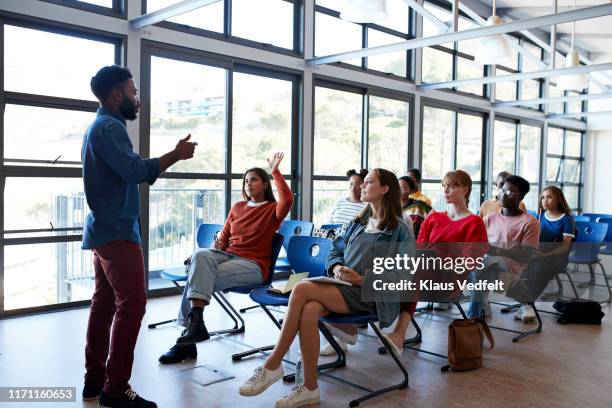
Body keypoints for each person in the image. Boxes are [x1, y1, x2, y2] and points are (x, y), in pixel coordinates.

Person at [238, 169, 414, 408]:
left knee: (301, 290)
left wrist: (362, 280)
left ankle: (273, 364)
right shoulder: (357, 223)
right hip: (343, 287)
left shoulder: (400, 230)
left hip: (373, 296)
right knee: (309, 310)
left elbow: (404, 276)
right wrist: (338, 268)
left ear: (385, 190)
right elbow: (334, 252)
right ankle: (309, 388)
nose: (362, 186)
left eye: (369, 182)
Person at [82, 65, 197, 408]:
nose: (138, 99)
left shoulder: (99, 127)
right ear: (117, 95)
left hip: (103, 229)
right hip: (117, 231)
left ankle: (94, 381)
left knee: (103, 304)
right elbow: (133, 171)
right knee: (132, 305)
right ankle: (115, 390)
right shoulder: (110, 128)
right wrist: (174, 156)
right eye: (133, 92)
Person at [158, 152, 293, 364]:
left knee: (198, 275)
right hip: (227, 255)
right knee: (200, 257)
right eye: (246, 181)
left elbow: (288, 199)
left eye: (254, 180)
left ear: (265, 184)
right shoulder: (238, 207)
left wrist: (275, 171)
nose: (249, 184)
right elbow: (224, 236)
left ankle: (186, 339)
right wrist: (216, 247)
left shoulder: (272, 210)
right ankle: (194, 327)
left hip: (253, 266)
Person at [385, 170, 488, 344]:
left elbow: (469, 261)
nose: (446, 191)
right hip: (422, 273)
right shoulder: (434, 218)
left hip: (448, 280)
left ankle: (398, 333)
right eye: (444, 186)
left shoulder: (474, 222)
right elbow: (418, 249)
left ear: (465, 190)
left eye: (452, 186)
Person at [468, 175, 540, 321]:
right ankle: (475, 317)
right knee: (482, 270)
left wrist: (495, 250)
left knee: (479, 266)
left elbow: (526, 255)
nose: (502, 195)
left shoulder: (530, 222)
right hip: (489, 266)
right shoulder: (489, 218)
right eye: (501, 190)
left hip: (511, 268)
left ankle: (476, 312)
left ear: (520, 197)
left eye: (508, 192)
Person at [510, 186, 575, 310]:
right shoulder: (540, 217)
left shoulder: (567, 220)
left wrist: (545, 255)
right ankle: (523, 299)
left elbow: (564, 247)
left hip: (556, 258)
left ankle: (528, 303)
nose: (545, 201)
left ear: (558, 200)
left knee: (539, 267)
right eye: (543, 197)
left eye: (550, 197)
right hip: (539, 255)